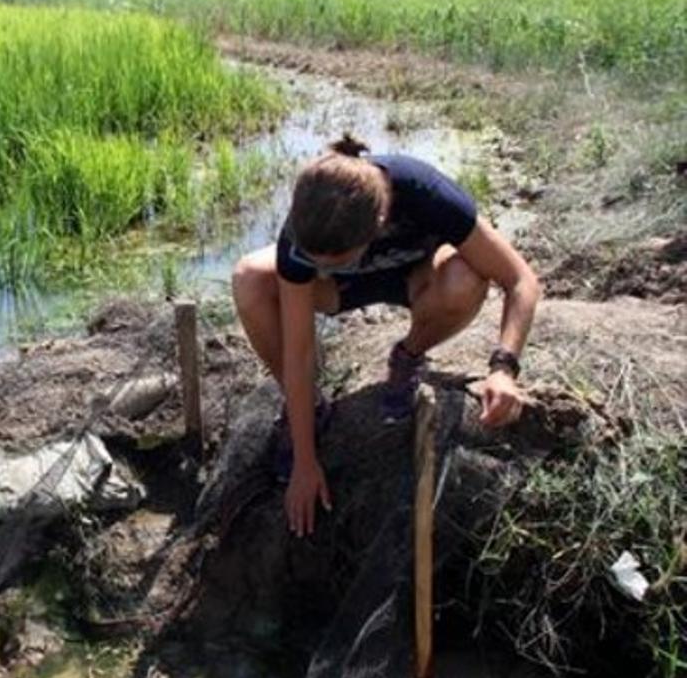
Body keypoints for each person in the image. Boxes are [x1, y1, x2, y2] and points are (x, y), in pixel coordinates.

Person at [230, 135, 541, 538]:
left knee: (466, 278)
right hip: (338, 291)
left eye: (334, 260)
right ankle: (308, 407)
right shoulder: (303, 235)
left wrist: (503, 368)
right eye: (313, 260)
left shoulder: (426, 193)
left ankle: (409, 355)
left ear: (378, 226)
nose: (316, 263)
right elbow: (299, 351)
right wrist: (306, 461)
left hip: (417, 279)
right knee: (250, 279)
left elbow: (521, 280)